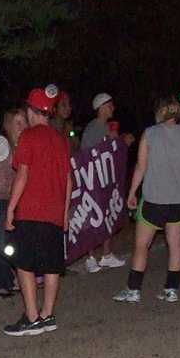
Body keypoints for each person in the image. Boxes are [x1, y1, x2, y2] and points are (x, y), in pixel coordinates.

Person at [112, 95, 180, 303]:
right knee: (175, 243)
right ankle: (171, 289)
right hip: (179, 200)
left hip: (154, 200)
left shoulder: (150, 134)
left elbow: (141, 167)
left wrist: (132, 192)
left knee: (142, 244)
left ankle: (133, 289)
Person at [3, 87, 72, 336]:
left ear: (32, 111)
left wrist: (11, 208)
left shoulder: (29, 137)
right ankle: (47, 314)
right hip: (54, 212)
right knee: (52, 266)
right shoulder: (60, 139)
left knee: (24, 263)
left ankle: (32, 317)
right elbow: (68, 179)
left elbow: (22, 173)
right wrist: (65, 215)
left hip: (32, 211)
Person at [77, 92, 127, 273]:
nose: (112, 108)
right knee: (92, 216)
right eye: (109, 105)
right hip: (93, 179)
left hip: (107, 178)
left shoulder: (107, 127)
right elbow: (87, 153)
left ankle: (106, 254)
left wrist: (122, 141)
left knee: (108, 213)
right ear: (101, 107)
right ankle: (89, 257)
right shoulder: (93, 128)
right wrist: (109, 140)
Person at [0, 107, 25, 298]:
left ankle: (8, 279)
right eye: (18, 122)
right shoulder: (1, 143)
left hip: (10, 200)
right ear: (8, 125)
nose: (22, 126)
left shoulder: (19, 146)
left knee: (9, 243)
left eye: (24, 122)